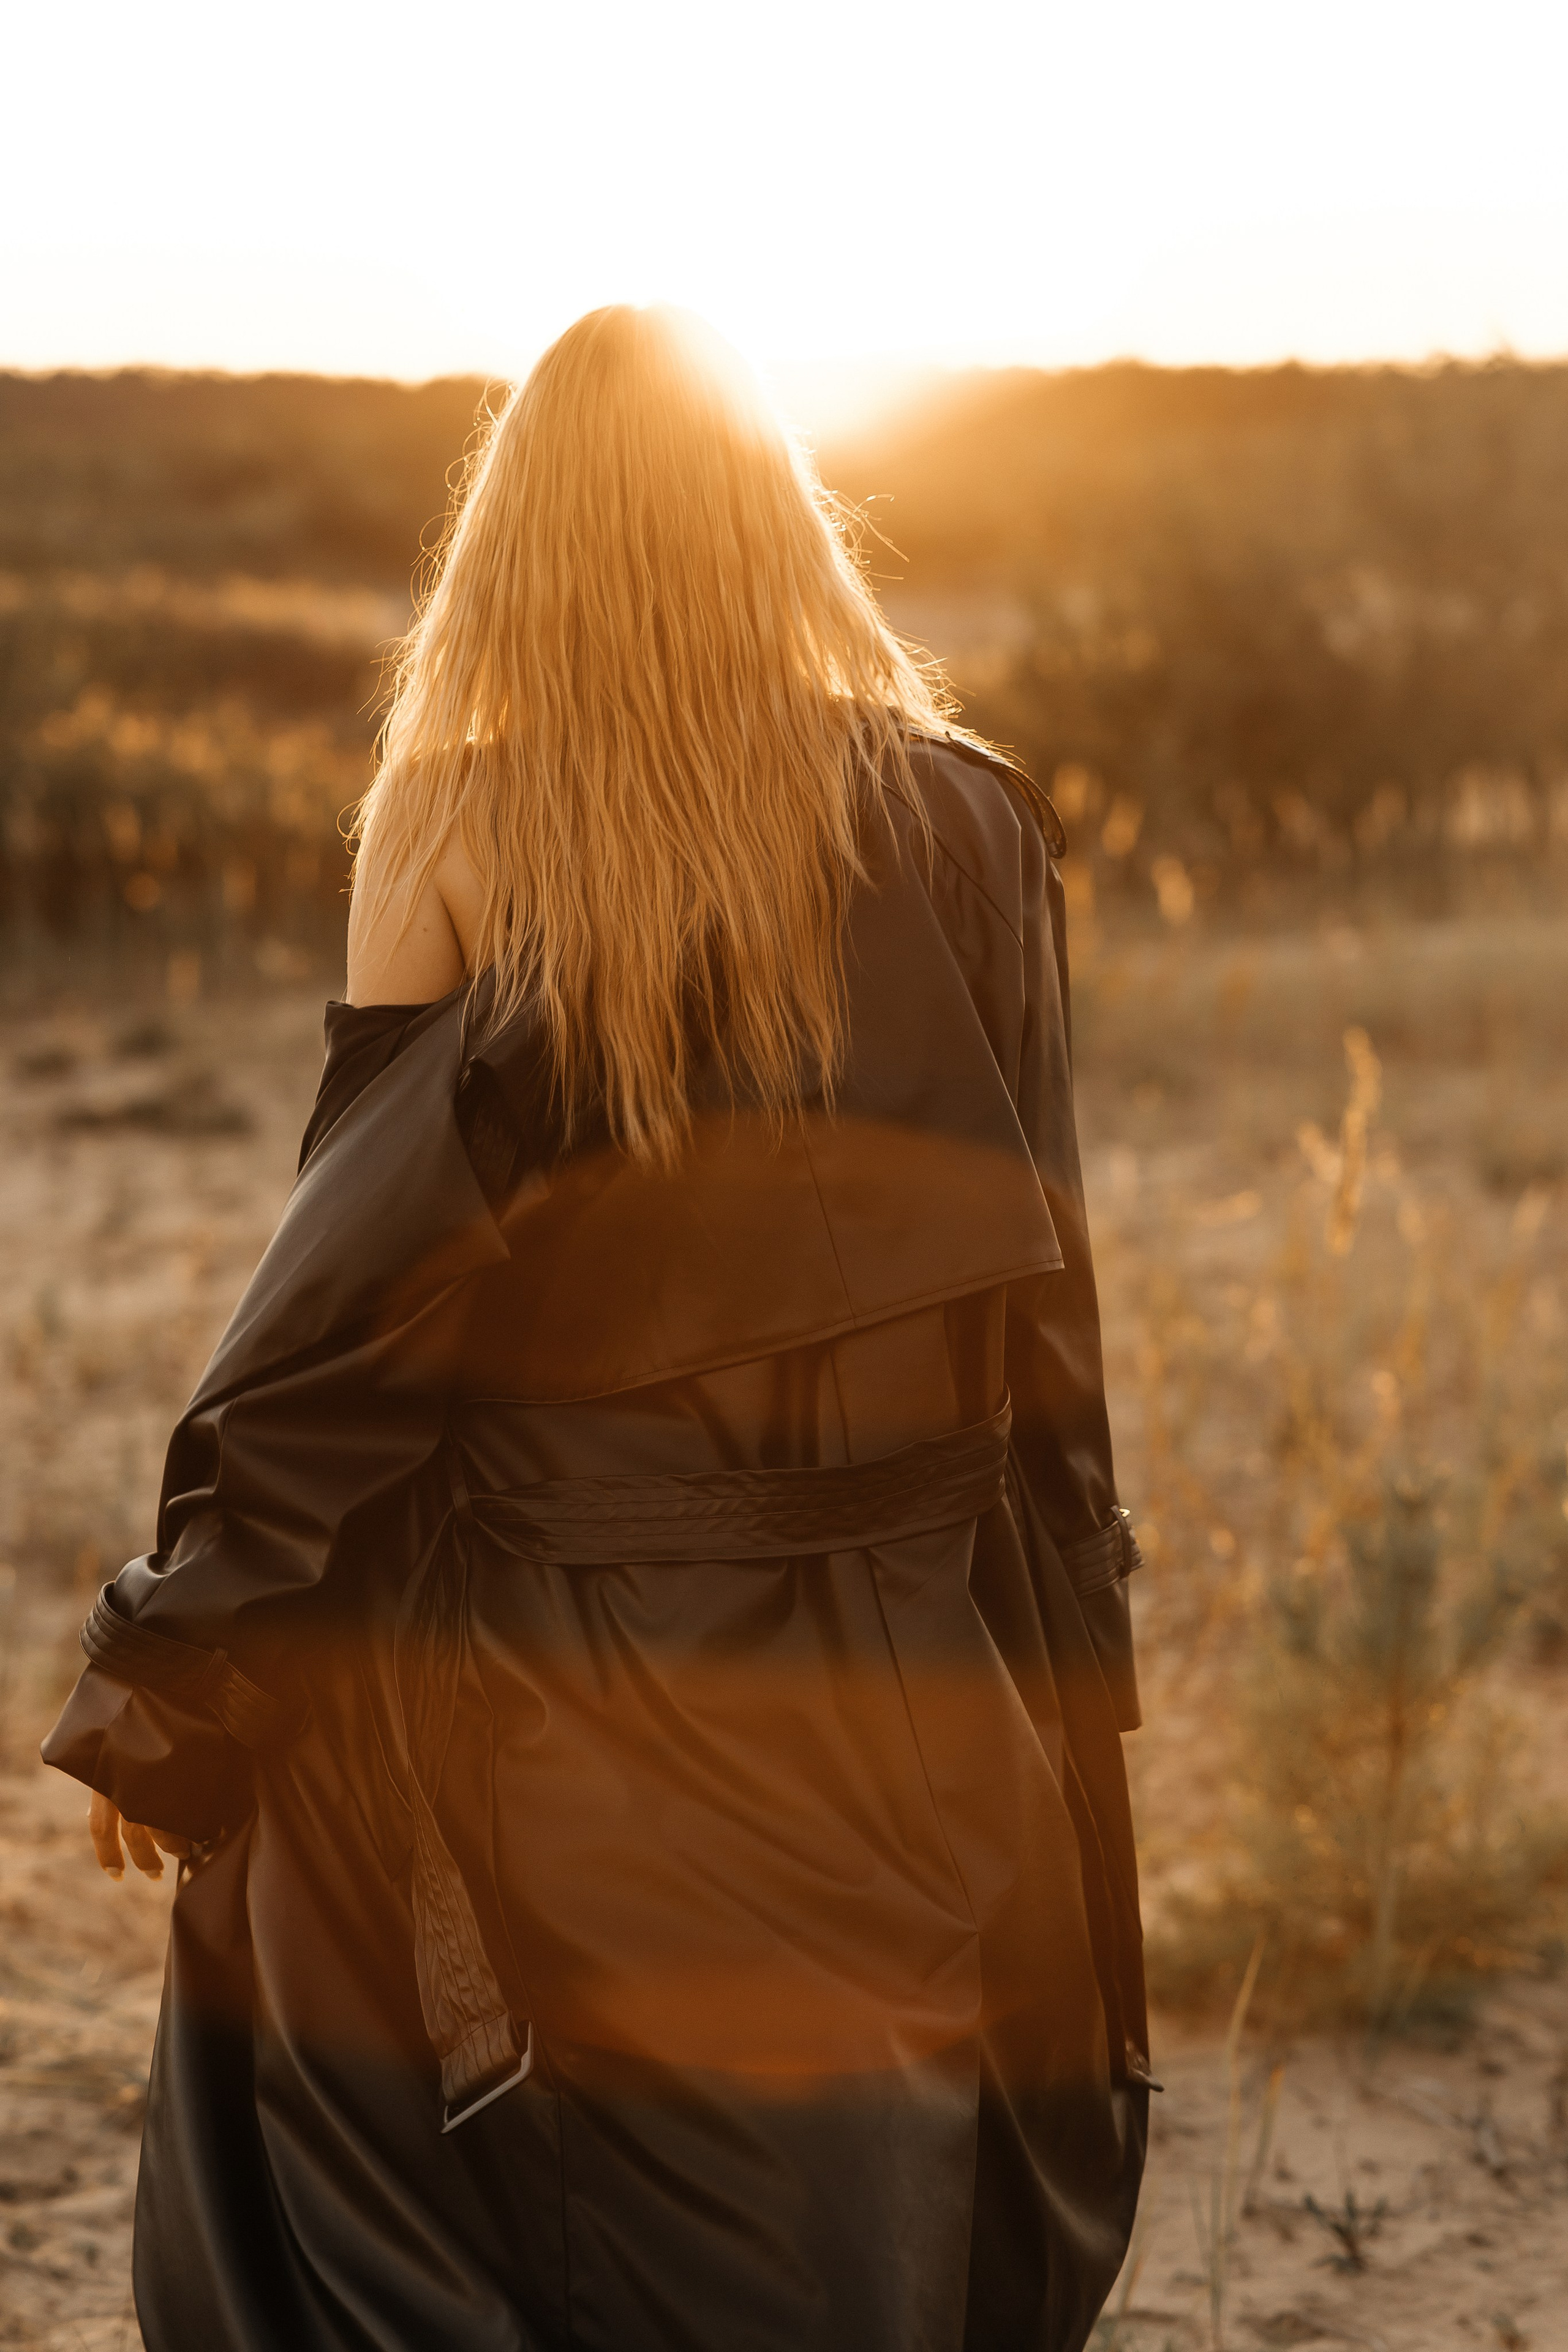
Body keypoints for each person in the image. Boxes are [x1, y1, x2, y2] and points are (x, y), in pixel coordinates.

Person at [43, 304, 1150, 2352]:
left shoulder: (460, 828)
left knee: (386, 2118)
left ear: (514, 543)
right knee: (862, 2245)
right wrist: (1076, 1687)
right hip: (921, 1690)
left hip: (584, 1707)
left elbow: (351, 1333)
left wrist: (176, 1681)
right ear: (777, 519)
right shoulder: (975, 822)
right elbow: (1046, 1327)